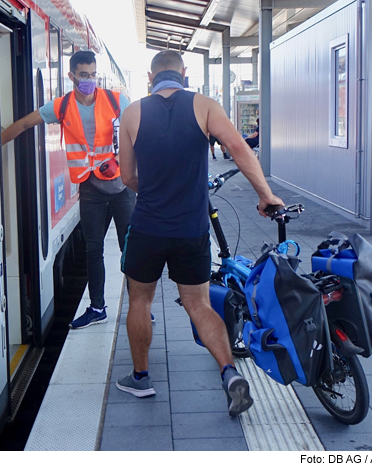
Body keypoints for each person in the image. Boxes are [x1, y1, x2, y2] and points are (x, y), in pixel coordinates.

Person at [116, 50, 284, 417]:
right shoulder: (205, 105)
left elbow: (127, 177)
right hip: (192, 228)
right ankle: (229, 373)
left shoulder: (132, 113)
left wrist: (156, 187)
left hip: (146, 226)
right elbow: (238, 147)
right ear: (184, 73)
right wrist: (265, 195)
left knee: (140, 301)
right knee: (199, 304)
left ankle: (141, 378)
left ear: (150, 77)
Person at [1, 50, 136, 329]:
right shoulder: (61, 107)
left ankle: (140, 307)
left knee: (131, 248)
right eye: (83, 75)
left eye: (93, 74)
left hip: (122, 186)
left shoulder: (116, 100)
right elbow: (25, 123)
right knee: (93, 249)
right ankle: (97, 308)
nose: (89, 80)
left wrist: (130, 166)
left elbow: (140, 132)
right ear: (71, 76)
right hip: (89, 187)